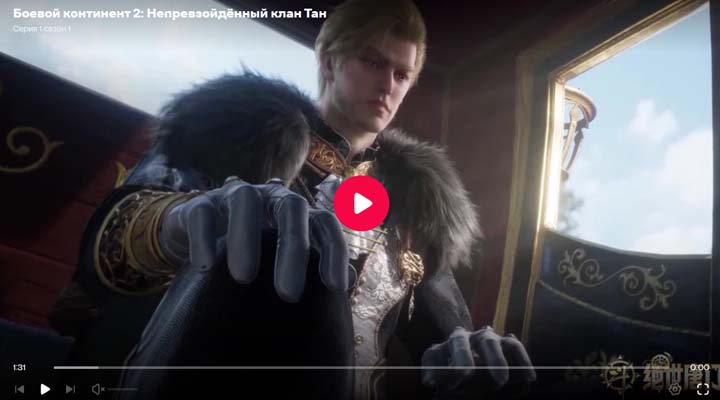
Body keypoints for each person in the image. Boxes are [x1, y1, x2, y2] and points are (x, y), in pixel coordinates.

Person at [50, 0, 535, 398]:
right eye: (372, 62)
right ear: (328, 61)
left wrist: (466, 356)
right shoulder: (232, 133)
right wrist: (176, 226)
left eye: (402, 74)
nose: (388, 85)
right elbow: (113, 249)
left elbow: (446, 339)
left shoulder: (418, 205)